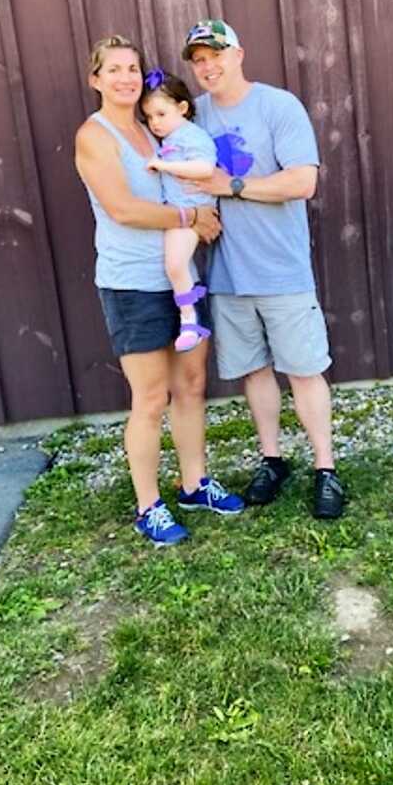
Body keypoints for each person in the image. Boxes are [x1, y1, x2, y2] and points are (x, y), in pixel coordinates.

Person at [74, 35, 245, 547]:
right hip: (133, 284)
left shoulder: (158, 129)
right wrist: (192, 216)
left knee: (191, 387)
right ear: (96, 80)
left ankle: (194, 483)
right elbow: (123, 209)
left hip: (181, 279)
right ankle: (149, 505)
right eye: (115, 69)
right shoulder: (96, 136)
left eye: (132, 68)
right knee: (150, 398)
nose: (126, 77)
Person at [177, 18, 347, 519]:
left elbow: (301, 182)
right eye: (199, 60)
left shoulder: (277, 106)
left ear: (239, 53)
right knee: (253, 372)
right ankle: (272, 461)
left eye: (216, 55)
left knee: (304, 369)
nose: (208, 67)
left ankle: (325, 468)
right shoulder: (194, 117)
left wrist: (230, 186)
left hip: (282, 270)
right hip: (228, 274)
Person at [139, 68, 217, 353]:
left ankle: (190, 321)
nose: (154, 123)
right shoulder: (171, 139)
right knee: (177, 266)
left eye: (161, 114)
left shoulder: (191, 136)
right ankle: (192, 313)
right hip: (179, 213)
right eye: (148, 117)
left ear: (182, 108)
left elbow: (205, 168)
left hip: (192, 211)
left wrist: (164, 165)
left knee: (174, 265)